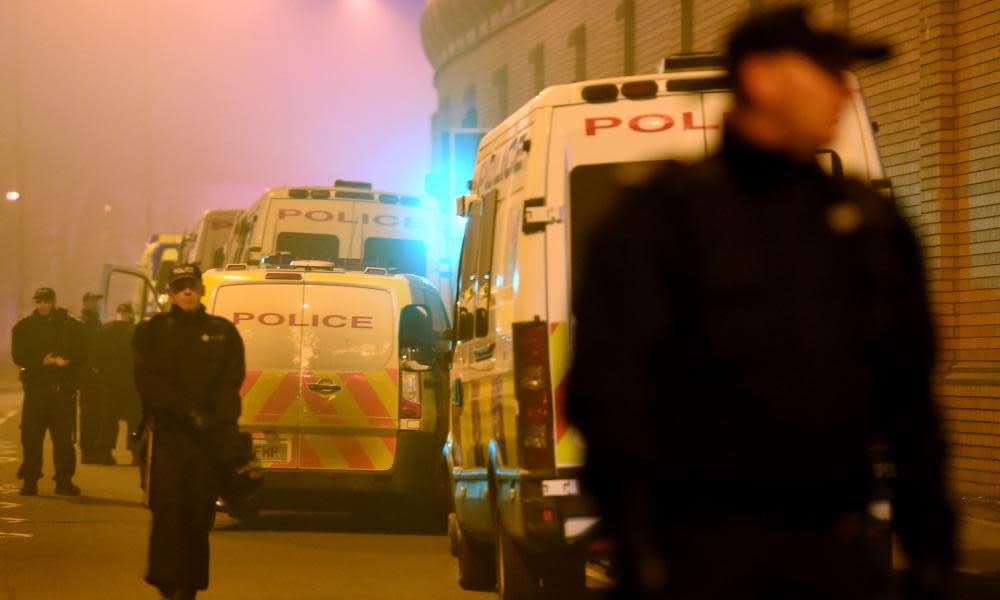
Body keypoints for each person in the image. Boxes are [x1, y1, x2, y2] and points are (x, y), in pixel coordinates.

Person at [568, 5, 954, 599]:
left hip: (833, 553)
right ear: (762, 77)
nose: (841, 92)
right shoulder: (662, 221)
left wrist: (930, 551)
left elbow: (910, 401)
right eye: (823, 71)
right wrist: (640, 548)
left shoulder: (869, 226)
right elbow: (611, 396)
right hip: (701, 559)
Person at [133, 264, 245, 600]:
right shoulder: (153, 331)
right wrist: (187, 413)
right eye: (180, 287)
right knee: (168, 512)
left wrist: (221, 426)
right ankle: (168, 582)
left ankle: (191, 585)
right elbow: (148, 382)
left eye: (191, 286)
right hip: (167, 436)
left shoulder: (222, 332)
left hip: (207, 440)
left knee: (198, 515)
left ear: (200, 290)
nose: (186, 292)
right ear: (170, 292)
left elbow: (230, 383)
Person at [11, 287, 86, 496]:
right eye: (40, 301)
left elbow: (83, 351)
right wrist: (41, 361)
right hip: (37, 389)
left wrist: (67, 361)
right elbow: (18, 355)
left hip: (62, 389)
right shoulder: (25, 327)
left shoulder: (69, 325)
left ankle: (63, 481)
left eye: (46, 301)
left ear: (53, 302)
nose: (43, 305)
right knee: (31, 437)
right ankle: (30, 480)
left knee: (62, 440)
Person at [94, 303, 142, 464]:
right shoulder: (137, 331)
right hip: (132, 382)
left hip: (110, 382)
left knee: (108, 418)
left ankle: (104, 453)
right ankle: (136, 454)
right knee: (134, 420)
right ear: (130, 314)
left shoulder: (105, 330)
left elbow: (97, 355)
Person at [78, 291, 114, 464]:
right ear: (85, 303)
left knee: (96, 414)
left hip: (96, 375)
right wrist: (90, 369)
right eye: (93, 301)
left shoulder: (94, 321)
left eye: (97, 301)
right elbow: (85, 349)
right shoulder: (84, 323)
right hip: (88, 377)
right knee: (89, 415)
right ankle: (87, 451)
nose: (96, 304)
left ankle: (92, 449)